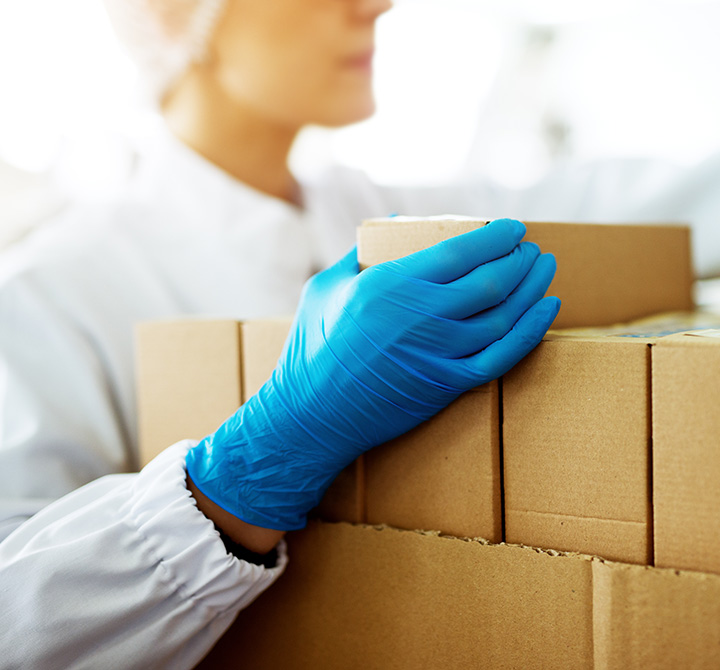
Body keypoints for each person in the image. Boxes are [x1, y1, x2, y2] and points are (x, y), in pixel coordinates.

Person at [0, 1, 717, 668]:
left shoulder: (403, 215)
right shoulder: (48, 295)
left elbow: (635, 207)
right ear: (181, 15)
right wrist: (253, 464)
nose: (377, 3)